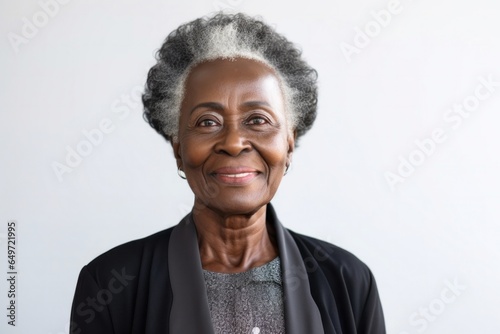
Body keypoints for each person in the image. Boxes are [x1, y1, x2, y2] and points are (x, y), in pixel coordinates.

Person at [70, 12, 386, 334]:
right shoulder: (110, 284)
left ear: (289, 145)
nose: (234, 143)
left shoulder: (349, 282)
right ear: (178, 149)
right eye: (208, 122)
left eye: (258, 120)